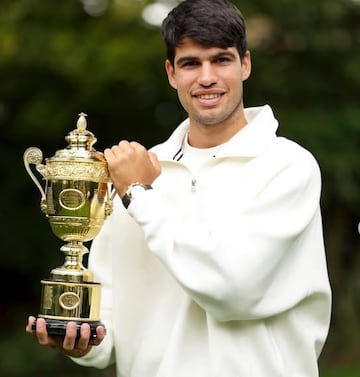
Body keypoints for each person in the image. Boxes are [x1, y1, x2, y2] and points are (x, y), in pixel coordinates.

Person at [26, 0, 332, 376]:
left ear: (245, 65)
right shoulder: (135, 172)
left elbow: (233, 289)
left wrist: (139, 195)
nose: (207, 77)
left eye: (221, 60)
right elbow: (111, 313)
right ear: (171, 73)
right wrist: (81, 338)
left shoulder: (285, 166)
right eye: (190, 63)